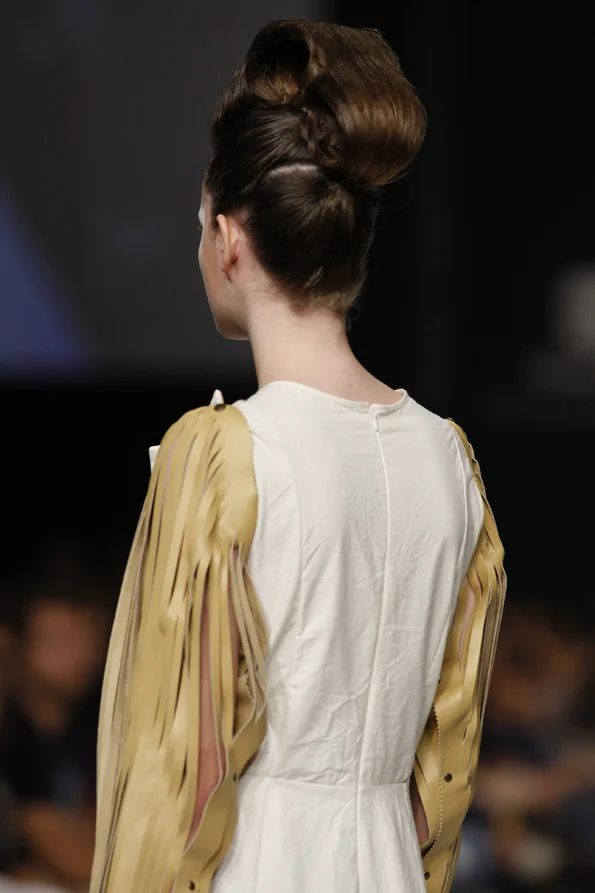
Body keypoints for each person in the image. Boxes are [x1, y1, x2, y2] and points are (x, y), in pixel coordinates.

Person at [89, 19, 506, 893]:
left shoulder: (221, 455)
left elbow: (182, 765)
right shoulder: (449, 459)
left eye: (199, 222)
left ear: (229, 238)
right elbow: (445, 760)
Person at [1, 580, 108, 892]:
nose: (80, 654)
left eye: (86, 638)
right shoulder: (16, 742)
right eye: (58, 641)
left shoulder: (93, 728)